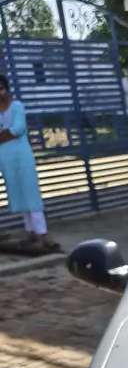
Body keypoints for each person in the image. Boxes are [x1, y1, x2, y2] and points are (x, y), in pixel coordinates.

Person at [0, 74, 59, 253]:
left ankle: (42, 234)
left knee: (30, 193)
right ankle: (30, 232)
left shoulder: (17, 106)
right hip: (5, 157)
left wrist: (3, 135)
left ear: (6, 88)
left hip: (21, 156)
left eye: (1, 87)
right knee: (18, 194)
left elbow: (18, 129)